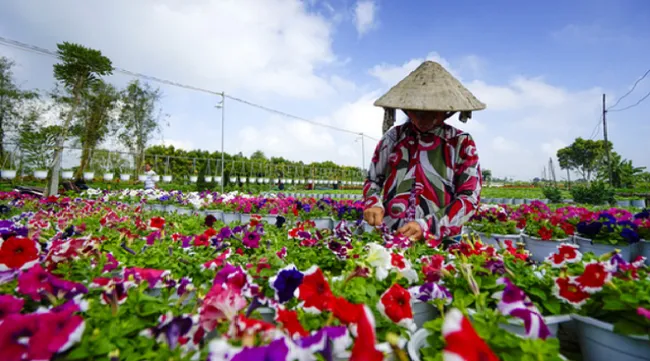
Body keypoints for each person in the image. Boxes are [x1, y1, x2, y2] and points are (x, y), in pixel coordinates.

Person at [363, 61, 485, 247]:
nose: (423, 118)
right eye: (416, 112)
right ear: (406, 109)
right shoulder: (393, 138)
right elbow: (372, 180)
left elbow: (470, 197)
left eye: (432, 112)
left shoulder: (461, 143)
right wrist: (373, 203)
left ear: (446, 111)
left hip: (441, 240)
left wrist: (428, 225)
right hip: (392, 235)